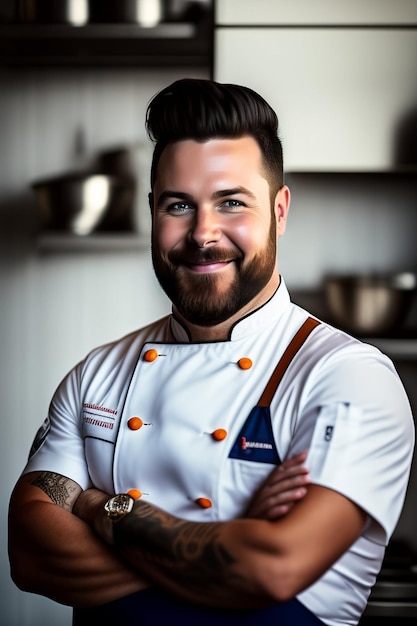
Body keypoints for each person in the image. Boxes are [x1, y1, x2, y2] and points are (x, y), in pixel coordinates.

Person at [8, 78, 415, 626]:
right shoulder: (96, 375)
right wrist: (223, 551)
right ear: (152, 211)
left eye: (231, 203)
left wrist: (94, 506)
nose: (203, 233)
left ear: (280, 211)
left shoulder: (349, 377)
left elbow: (271, 568)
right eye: (179, 205)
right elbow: (29, 554)